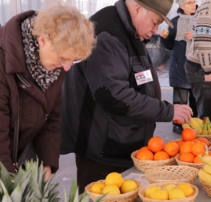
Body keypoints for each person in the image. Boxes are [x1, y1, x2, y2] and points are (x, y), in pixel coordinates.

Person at [60, 0, 193, 192]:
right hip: (103, 153)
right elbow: (113, 95)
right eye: (155, 22)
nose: (156, 30)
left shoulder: (130, 31)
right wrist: (167, 111)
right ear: (138, 9)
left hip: (123, 146)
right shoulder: (106, 34)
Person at [0, 3, 95, 179]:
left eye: (73, 61)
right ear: (43, 40)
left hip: (21, 156)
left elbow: (51, 116)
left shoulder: (53, 63)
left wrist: (47, 162)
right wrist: (8, 182)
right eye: (64, 59)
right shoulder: (3, 61)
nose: (66, 68)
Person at [160, 0, 198, 134]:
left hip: (196, 66)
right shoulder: (174, 21)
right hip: (179, 65)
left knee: (196, 98)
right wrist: (165, 37)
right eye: (189, 2)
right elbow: (169, 46)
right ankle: (178, 124)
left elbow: (210, 39)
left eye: (194, 1)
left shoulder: (201, 20)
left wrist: (196, 36)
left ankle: (195, 124)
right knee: (180, 99)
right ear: (181, 6)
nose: (193, 4)